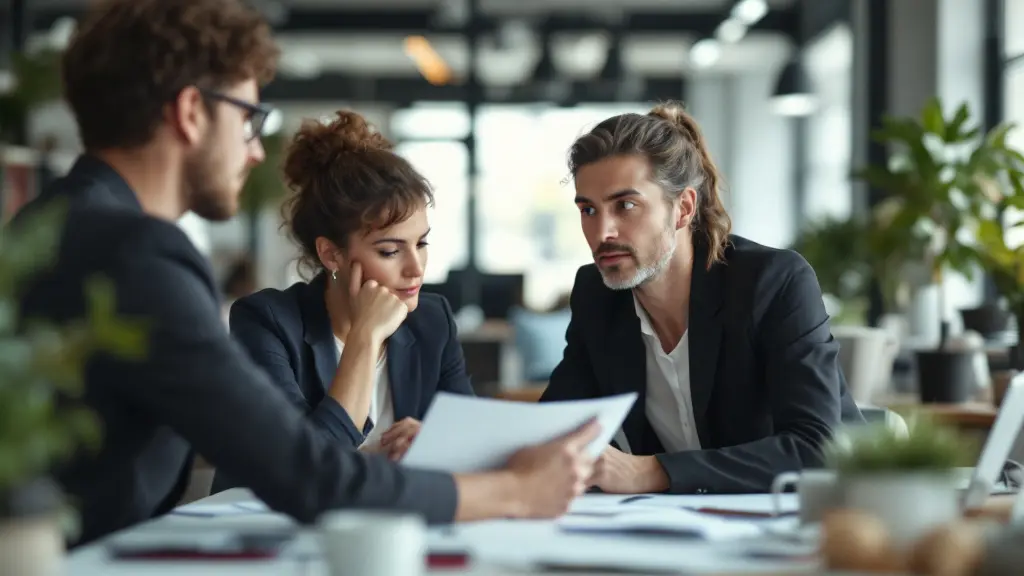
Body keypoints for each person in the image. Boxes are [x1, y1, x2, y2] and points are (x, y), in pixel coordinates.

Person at [11, 0, 597, 548]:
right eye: (249, 118)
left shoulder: (51, 225)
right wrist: (515, 491)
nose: (256, 151)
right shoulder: (140, 252)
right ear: (191, 113)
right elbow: (305, 472)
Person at [540, 101, 863, 496]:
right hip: (680, 528)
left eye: (625, 205)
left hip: (822, 519)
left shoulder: (773, 283)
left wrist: (651, 472)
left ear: (683, 208)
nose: (602, 231)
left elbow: (818, 448)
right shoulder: (598, 296)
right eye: (588, 209)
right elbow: (555, 425)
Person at [211, 112, 473, 494]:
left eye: (421, 243)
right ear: (332, 255)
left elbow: (474, 445)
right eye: (389, 251)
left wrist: (434, 447)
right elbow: (301, 471)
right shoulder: (266, 322)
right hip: (269, 530)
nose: (416, 268)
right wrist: (365, 338)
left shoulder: (432, 321)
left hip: (387, 522)